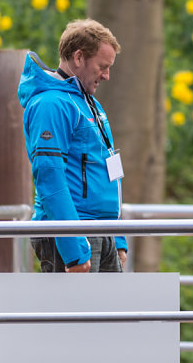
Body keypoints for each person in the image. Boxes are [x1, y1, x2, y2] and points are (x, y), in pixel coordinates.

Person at [18, 19, 127, 273]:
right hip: (77, 233)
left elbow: (110, 170)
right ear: (79, 58)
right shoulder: (51, 104)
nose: (106, 75)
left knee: (112, 313)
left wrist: (119, 236)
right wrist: (73, 249)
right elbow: (49, 177)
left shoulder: (89, 102)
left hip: (103, 231)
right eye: (102, 66)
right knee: (76, 313)